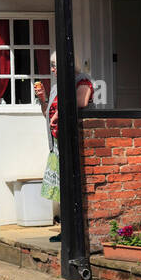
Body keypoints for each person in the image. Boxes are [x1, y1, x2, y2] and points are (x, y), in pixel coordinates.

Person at [35, 51, 94, 243]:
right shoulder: (55, 87)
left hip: (75, 142)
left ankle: (75, 231)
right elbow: (47, 113)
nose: (53, 69)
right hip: (57, 142)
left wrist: (59, 112)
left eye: (56, 64)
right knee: (60, 188)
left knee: (72, 185)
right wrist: (43, 98)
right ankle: (65, 229)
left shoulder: (81, 80)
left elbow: (81, 101)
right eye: (51, 65)